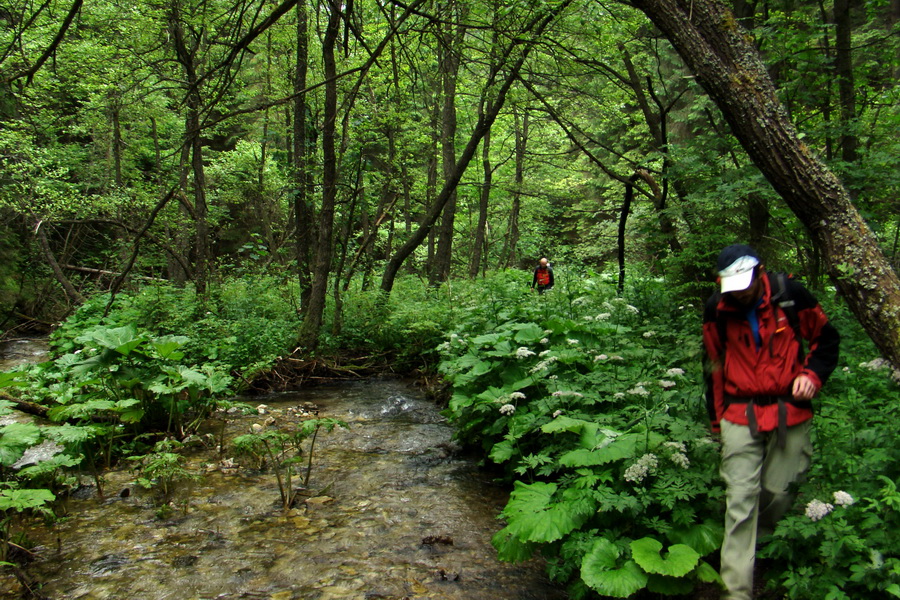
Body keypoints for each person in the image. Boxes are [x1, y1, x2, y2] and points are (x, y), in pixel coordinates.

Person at [702, 244, 839, 600]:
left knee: (780, 492)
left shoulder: (790, 296)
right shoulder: (717, 308)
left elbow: (826, 339)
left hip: (788, 410)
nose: (742, 292)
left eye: (746, 283)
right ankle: (736, 591)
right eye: (733, 285)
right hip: (738, 412)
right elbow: (714, 368)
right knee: (740, 497)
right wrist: (717, 423)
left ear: (760, 273)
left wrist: (812, 374)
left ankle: (759, 541)